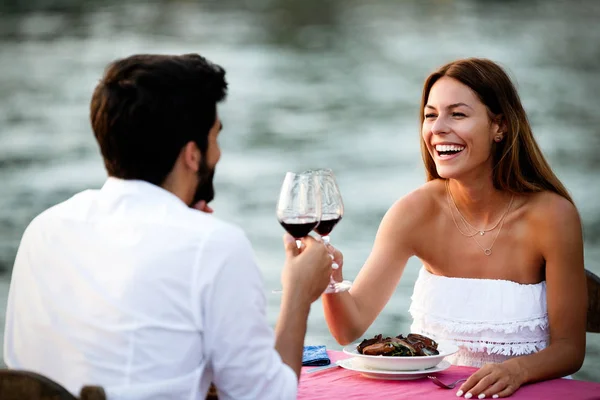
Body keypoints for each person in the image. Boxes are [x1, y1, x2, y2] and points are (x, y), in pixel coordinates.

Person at [3, 53, 336, 400]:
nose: (218, 154)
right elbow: (267, 396)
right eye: (215, 137)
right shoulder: (214, 245)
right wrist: (299, 294)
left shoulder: (43, 229)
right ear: (192, 154)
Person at [323, 58, 587, 398]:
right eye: (430, 115)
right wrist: (330, 278)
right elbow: (349, 327)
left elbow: (570, 350)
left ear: (500, 127)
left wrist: (517, 370)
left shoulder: (553, 216)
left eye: (457, 114)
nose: (437, 128)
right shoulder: (412, 212)